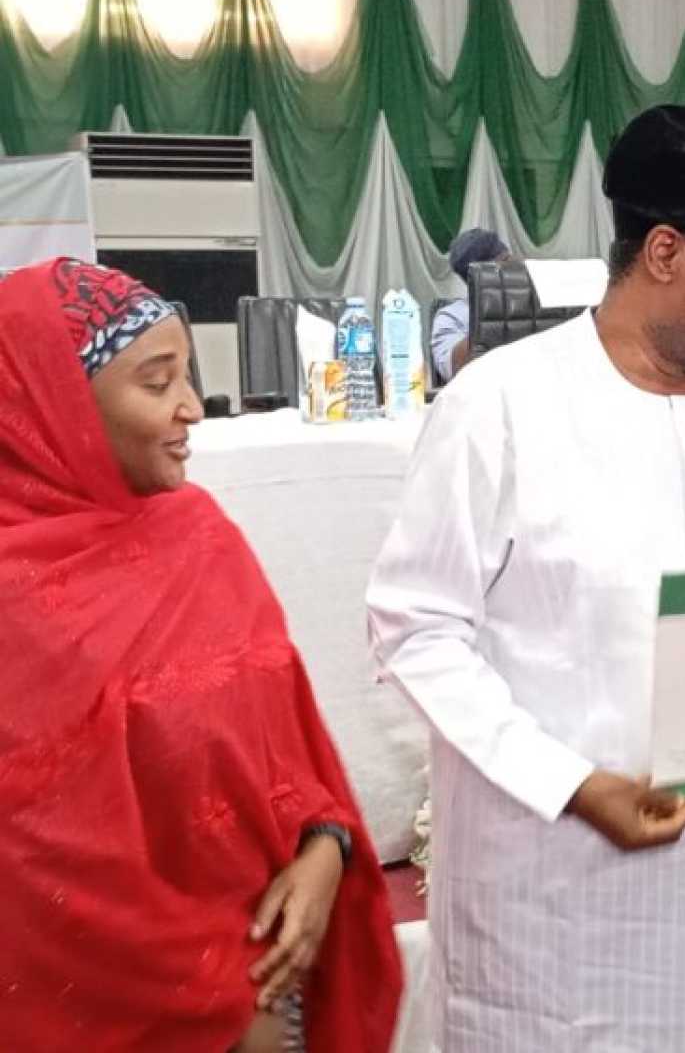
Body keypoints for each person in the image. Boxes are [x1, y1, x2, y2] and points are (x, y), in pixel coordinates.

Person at [366, 105, 685, 1052]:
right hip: (550, 887)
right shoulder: (502, 404)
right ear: (664, 253)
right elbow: (416, 629)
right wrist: (569, 784)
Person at [0, 259, 402, 1052]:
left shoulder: (199, 536)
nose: (190, 407)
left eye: (188, 375)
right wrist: (212, 984)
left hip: (268, 982)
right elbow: (33, 866)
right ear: (51, 404)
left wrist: (326, 849)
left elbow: (287, 743)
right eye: (157, 384)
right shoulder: (14, 598)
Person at [430, 227, 511, 383]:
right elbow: (453, 368)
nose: (514, 269)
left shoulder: (535, 301)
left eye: (509, 260)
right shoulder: (450, 317)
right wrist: (495, 315)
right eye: (504, 264)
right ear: (478, 277)